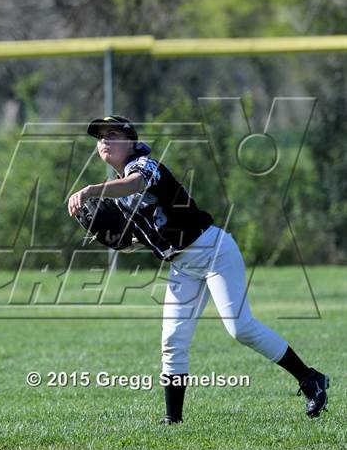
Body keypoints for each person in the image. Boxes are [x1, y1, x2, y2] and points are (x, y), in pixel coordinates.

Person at [67, 116, 329, 423]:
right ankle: (172, 420)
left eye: (112, 134)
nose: (104, 141)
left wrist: (90, 190)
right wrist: (119, 240)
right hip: (182, 264)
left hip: (213, 251)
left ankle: (310, 379)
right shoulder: (120, 196)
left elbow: (135, 184)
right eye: (100, 137)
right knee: (172, 340)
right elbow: (136, 238)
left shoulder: (146, 166)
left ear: (131, 141)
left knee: (240, 328)